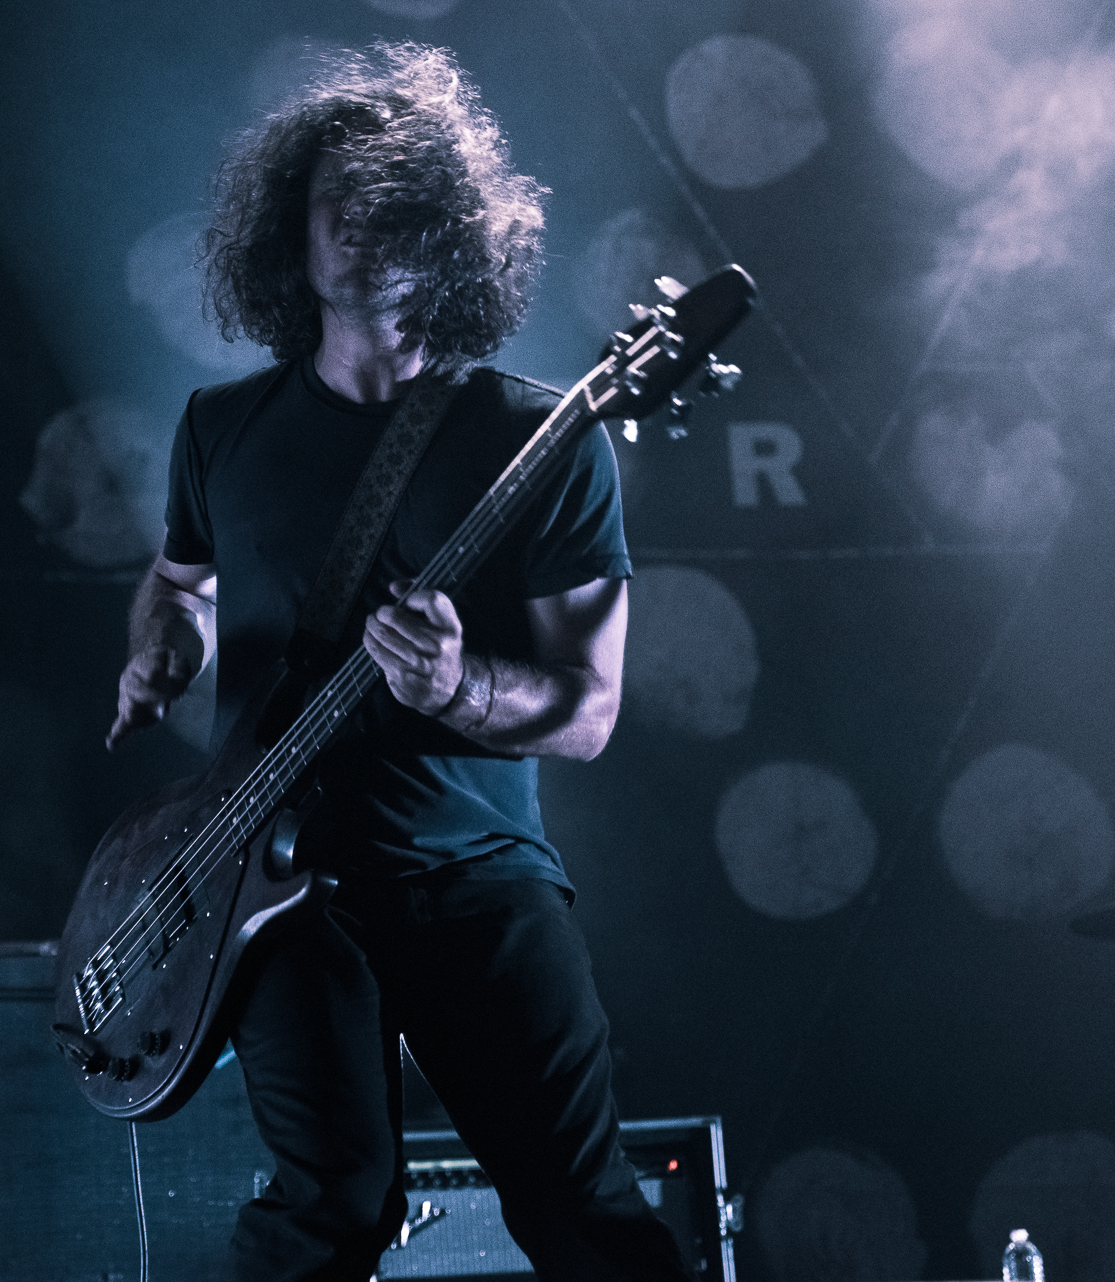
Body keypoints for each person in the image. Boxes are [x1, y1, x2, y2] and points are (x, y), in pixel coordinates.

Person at [104, 43, 694, 1282]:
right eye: (341, 203)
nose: (366, 229)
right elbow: (180, 579)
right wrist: (161, 641)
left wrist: (457, 686)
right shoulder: (222, 428)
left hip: (475, 875)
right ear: (291, 228)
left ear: (453, 233)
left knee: (584, 1214)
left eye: (398, 205)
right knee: (328, 1209)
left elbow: (587, 712)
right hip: (274, 891)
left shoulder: (546, 439)